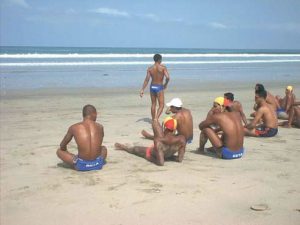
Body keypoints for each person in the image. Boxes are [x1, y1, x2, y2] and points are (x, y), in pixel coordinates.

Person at [115, 118, 186, 166]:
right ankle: (124, 147)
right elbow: (180, 159)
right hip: (168, 155)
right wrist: (171, 157)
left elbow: (161, 163)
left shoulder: (159, 140)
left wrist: (149, 157)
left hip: (152, 153)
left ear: (164, 128)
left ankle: (124, 147)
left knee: (135, 149)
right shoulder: (182, 139)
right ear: (174, 129)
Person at [56, 105, 107, 171]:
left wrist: (67, 153)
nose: (96, 116)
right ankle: (95, 162)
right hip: (98, 164)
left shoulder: (74, 127)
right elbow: (98, 145)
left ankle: (77, 161)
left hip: (81, 165)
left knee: (59, 151)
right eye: (96, 114)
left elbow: (62, 145)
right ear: (93, 113)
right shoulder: (100, 126)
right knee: (103, 148)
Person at [140, 54, 170, 121]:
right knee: (161, 105)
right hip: (159, 87)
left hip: (152, 87)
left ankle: (153, 119)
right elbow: (168, 77)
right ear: (159, 59)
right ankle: (156, 119)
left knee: (153, 104)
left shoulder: (150, 69)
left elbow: (147, 80)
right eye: (161, 59)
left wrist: (142, 89)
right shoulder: (163, 68)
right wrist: (165, 84)